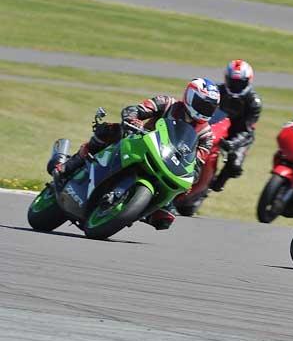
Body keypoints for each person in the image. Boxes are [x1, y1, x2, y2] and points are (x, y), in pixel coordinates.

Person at [52, 78, 221, 230]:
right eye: (203, 104)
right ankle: (69, 166)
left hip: (168, 164)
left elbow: (198, 163)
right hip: (140, 142)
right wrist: (132, 119)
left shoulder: (206, 135)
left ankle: (144, 209)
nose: (206, 110)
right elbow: (135, 109)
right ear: (190, 97)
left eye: (211, 107)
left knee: (166, 216)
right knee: (108, 131)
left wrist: (191, 175)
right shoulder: (167, 103)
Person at [209, 60, 262, 192]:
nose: (235, 86)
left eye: (240, 83)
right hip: (215, 127)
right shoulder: (216, 91)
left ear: (248, 81)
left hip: (239, 134)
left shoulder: (254, 103)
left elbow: (247, 130)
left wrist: (232, 144)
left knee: (235, 166)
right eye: (233, 82)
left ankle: (215, 185)